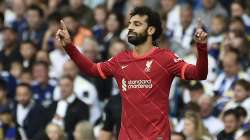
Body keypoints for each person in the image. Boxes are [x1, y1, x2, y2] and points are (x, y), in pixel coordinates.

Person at [56, 6, 208, 140]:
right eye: (129, 24)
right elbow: (92, 69)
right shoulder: (120, 59)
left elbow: (199, 74)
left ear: (151, 30)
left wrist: (201, 48)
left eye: (137, 24)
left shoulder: (166, 58)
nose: (130, 28)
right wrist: (69, 46)